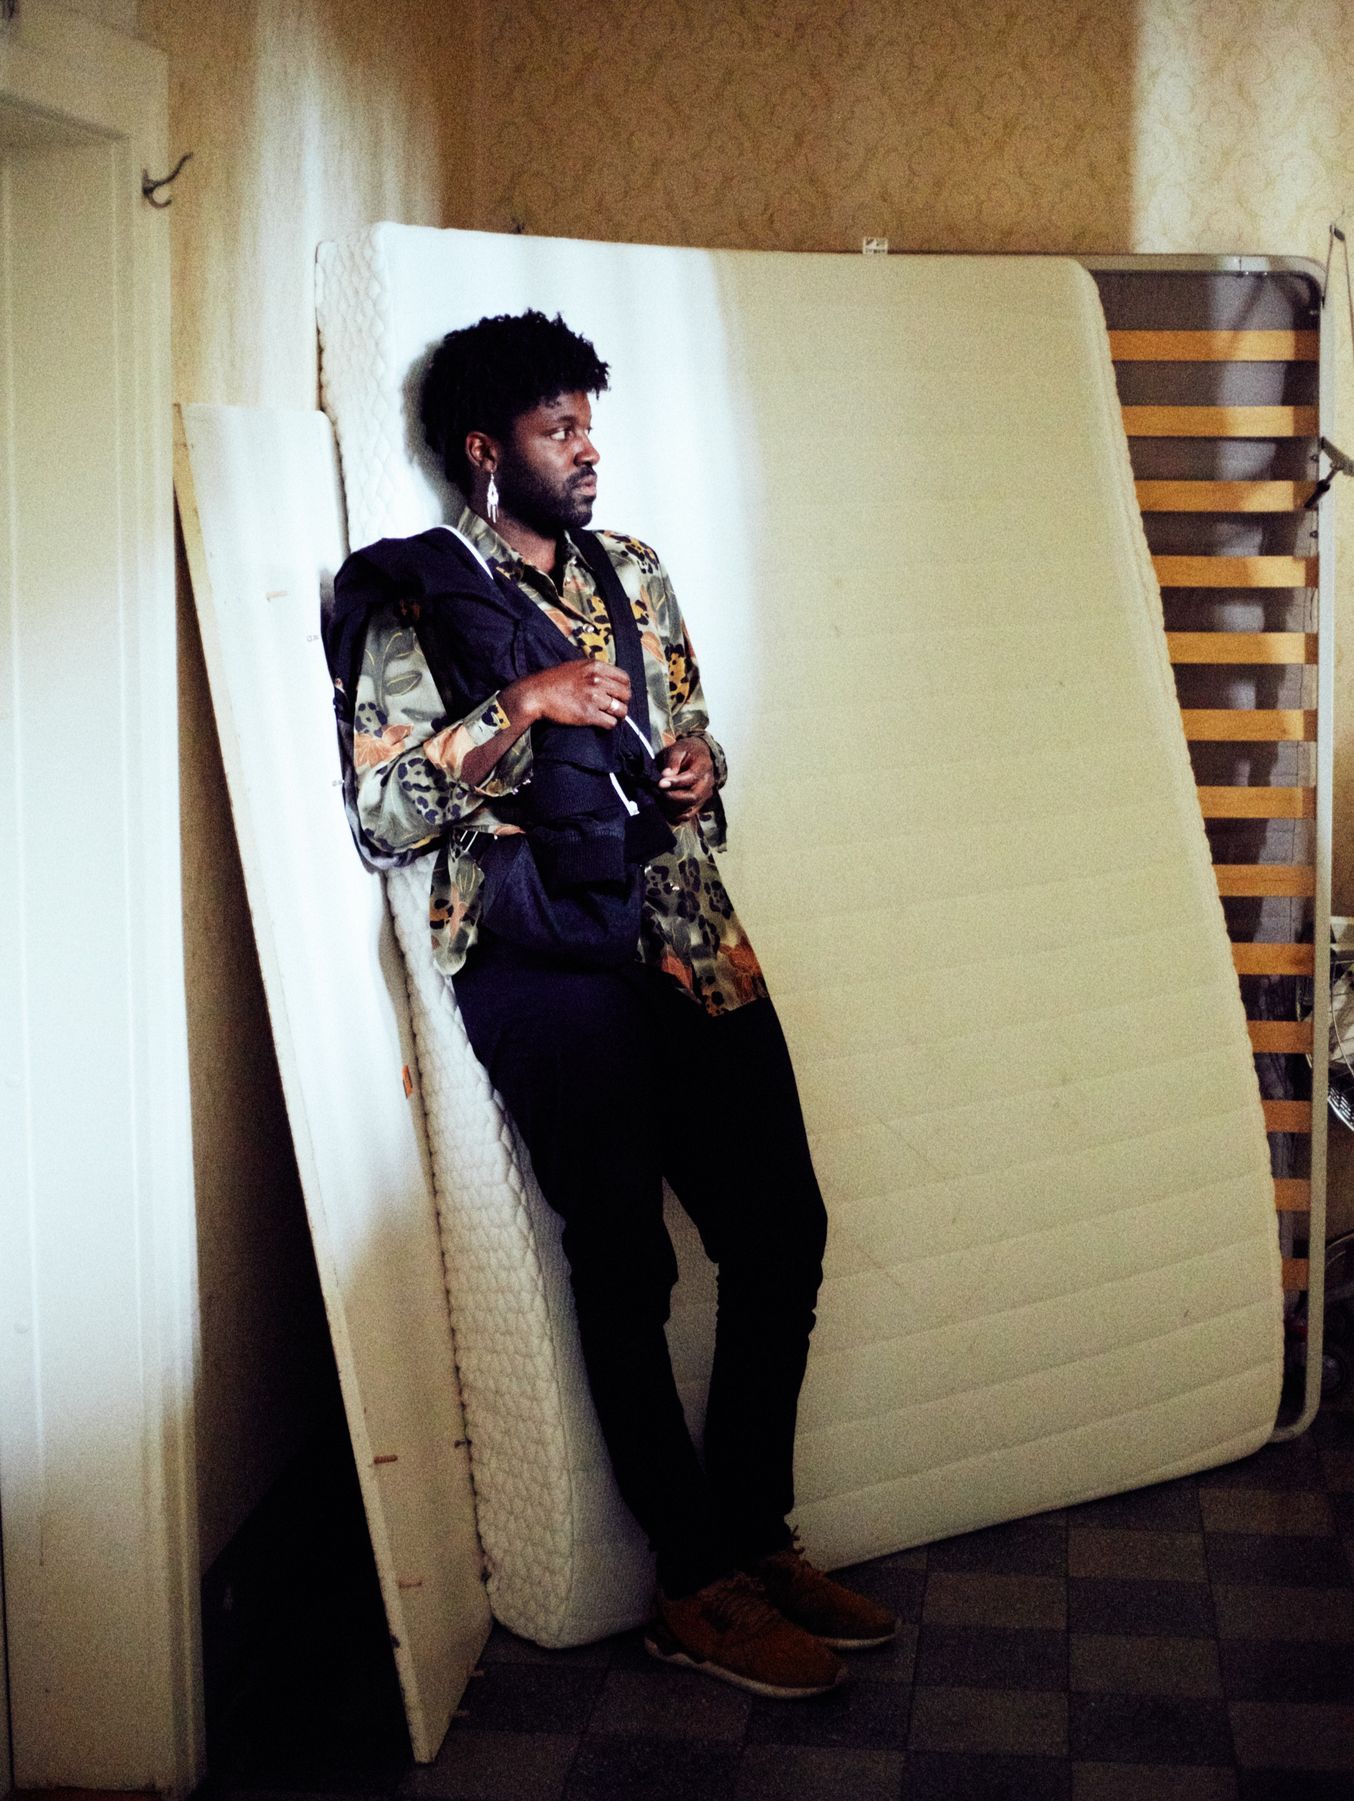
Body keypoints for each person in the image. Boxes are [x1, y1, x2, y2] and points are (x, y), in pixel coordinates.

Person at [334, 310, 897, 1698]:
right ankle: (691, 1583)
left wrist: (702, 768)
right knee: (625, 1258)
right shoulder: (418, 596)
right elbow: (385, 811)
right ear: (486, 450)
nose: (587, 451)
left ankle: (753, 1535)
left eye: (590, 424)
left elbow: (686, 728)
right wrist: (520, 704)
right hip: (540, 955)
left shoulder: (631, 568)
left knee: (781, 1225)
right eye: (557, 429)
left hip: (686, 931)